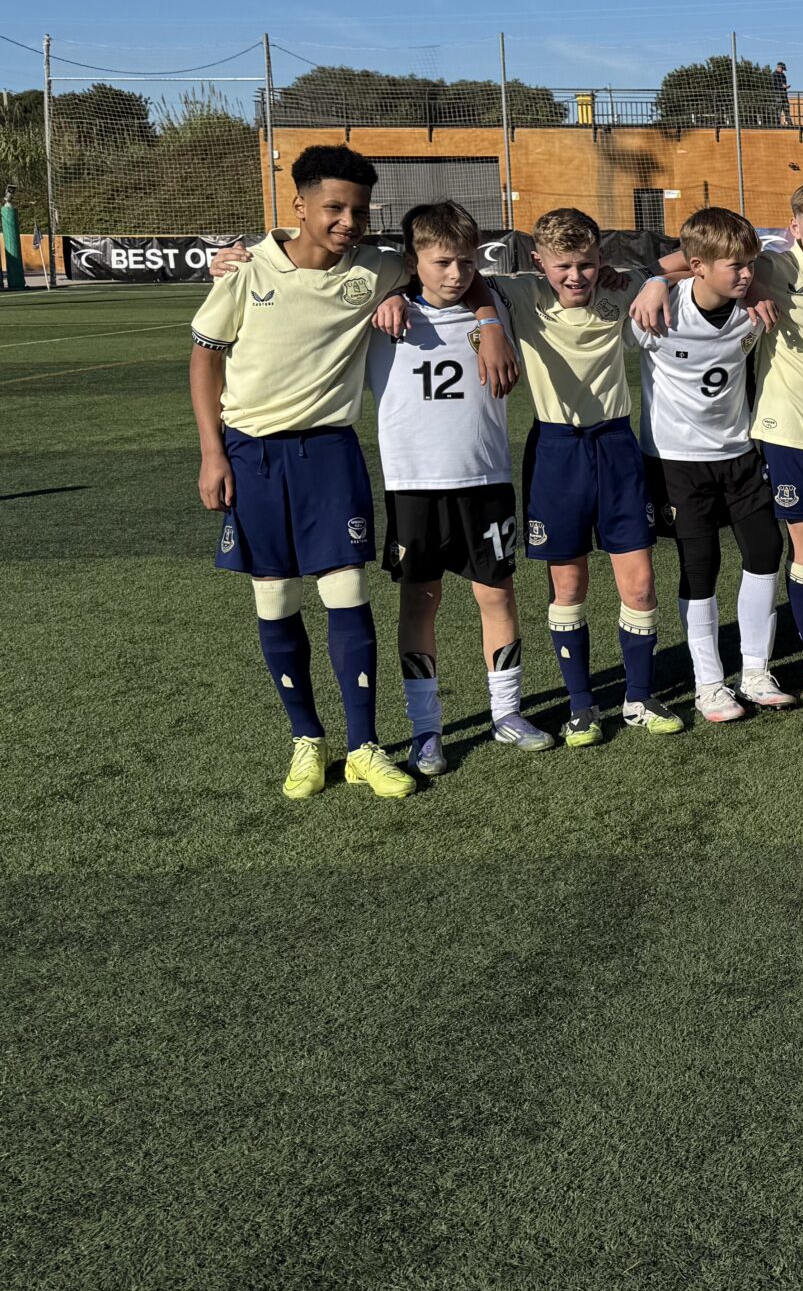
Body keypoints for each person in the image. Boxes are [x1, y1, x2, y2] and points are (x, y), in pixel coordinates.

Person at [191, 145, 513, 800]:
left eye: (359, 210)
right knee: (277, 599)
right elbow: (204, 360)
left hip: (332, 454)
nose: (347, 221)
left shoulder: (376, 268)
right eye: (334, 208)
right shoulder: (247, 272)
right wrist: (212, 451)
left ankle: (364, 745)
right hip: (253, 455)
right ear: (300, 206)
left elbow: (459, 270)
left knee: (347, 593)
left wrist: (487, 320)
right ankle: (306, 739)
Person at [638, 178, 803, 705]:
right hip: (784, 427)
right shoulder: (770, 265)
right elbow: (697, 258)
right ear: (794, 228)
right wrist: (655, 278)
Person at [370, 201, 552, 776]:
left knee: (497, 597)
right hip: (413, 485)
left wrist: (490, 320)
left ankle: (507, 713)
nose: (457, 274)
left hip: (485, 479)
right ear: (412, 262)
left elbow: (511, 282)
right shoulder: (383, 313)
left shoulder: (493, 302)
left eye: (466, 262)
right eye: (442, 262)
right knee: (419, 603)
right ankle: (426, 730)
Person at [494, 208, 683, 747]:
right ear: (539, 263)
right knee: (568, 584)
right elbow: (449, 275)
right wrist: (487, 322)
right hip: (555, 452)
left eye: (586, 265)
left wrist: (652, 279)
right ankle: (581, 706)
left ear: (602, 261)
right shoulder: (518, 293)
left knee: (640, 583)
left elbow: (698, 258)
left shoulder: (618, 290)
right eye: (562, 267)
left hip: (617, 447)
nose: (576, 277)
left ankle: (640, 696)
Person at [632, 207, 783, 724]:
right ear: (697, 266)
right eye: (735, 266)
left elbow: (781, 251)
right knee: (701, 568)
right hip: (677, 462)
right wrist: (655, 278)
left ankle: (756, 671)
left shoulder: (753, 306)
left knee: (766, 550)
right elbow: (656, 269)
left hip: (739, 454)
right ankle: (709, 684)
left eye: (750, 264)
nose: (747, 274)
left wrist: (755, 282)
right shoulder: (659, 310)